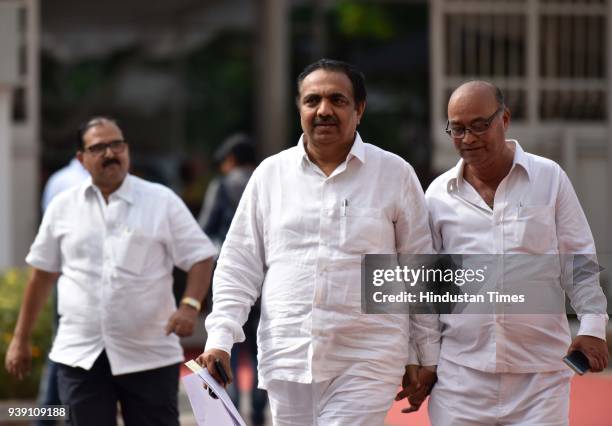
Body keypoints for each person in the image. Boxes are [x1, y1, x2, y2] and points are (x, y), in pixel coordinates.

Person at [196, 59, 439, 426]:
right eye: (312, 101)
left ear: (359, 109)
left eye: (337, 100)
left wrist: (425, 353)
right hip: (287, 357)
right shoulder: (270, 175)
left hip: (367, 358)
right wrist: (219, 338)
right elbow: (238, 265)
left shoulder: (394, 173)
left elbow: (418, 268)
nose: (323, 110)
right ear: (300, 109)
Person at [5, 117, 217, 426]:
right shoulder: (63, 206)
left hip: (149, 355)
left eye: (117, 144)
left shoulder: (161, 201)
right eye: (99, 147)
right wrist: (20, 339)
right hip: (80, 356)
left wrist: (190, 305)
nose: (110, 153)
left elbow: (200, 256)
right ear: (82, 158)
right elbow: (41, 275)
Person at [423, 81, 609, 425]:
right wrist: (421, 358)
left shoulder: (549, 178)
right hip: (460, 379)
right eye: (458, 128)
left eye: (480, 125)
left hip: (539, 380)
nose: (469, 138)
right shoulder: (437, 195)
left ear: (504, 119)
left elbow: (578, 262)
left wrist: (593, 327)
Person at [198, 134, 267, 425]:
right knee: (262, 343)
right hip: (267, 277)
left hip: (235, 275)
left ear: (231, 160)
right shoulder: (265, 181)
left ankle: (236, 404)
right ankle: (261, 408)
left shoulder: (222, 185)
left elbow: (204, 230)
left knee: (231, 341)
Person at [36, 157, 90, 426]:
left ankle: (45, 419)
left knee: (61, 351)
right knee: (65, 353)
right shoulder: (80, 183)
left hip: (65, 279)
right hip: (73, 282)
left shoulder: (57, 178)